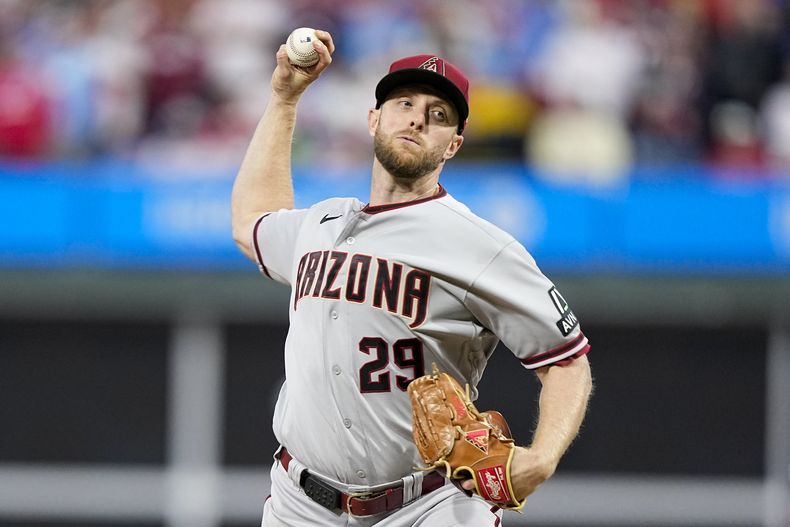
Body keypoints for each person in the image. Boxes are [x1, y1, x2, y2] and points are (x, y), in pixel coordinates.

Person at [231, 29, 593, 526]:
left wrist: (542, 458)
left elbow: (567, 361)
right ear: (374, 119)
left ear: (454, 145)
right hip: (301, 503)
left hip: (428, 504)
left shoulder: (479, 245)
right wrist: (284, 98)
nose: (418, 118)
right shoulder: (321, 223)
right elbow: (252, 222)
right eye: (404, 103)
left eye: (439, 115)